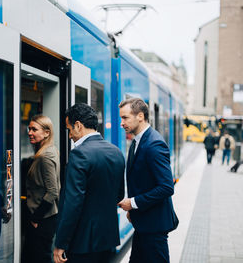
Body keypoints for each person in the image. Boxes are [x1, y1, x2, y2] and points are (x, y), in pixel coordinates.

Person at [53, 103, 125, 263]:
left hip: (83, 243)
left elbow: (73, 204)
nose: (69, 135)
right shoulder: (116, 152)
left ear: (78, 125)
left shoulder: (79, 154)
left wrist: (61, 243)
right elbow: (119, 195)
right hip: (108, 239)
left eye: (69, 129)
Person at [117, 98, 178, 263]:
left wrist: (133, 203)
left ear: (140, 116)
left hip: (154, 226)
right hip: (144, 222)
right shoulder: (139, 141)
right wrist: (133, 210)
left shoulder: (154, 144)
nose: (121, 123)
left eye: (125, 118)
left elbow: (166, 187)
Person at [24, 115, 60, 263]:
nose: (30, 132)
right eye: (29, 128)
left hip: (43, 219)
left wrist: (35, 218)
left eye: (34, 129)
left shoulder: (44, 156)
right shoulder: (50, 150)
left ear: (46, 133)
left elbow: (52, 191)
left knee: (39, 258)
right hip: (45, 217)